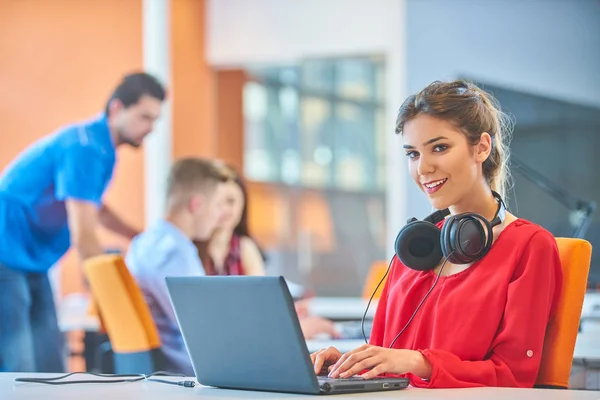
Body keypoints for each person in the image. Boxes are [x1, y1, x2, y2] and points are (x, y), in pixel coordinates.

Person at [311, 80, 563, 388]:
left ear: (482, 147)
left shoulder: (529, 246)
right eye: (412, 154)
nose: (423, 168)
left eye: (439, 148)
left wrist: (420, 363)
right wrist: (349, 366)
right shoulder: (414, 247)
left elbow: (512, 376)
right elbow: (385, 359)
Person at [0, 72, 166, 373]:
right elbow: (83, 231)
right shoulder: (86, 147)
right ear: (117, 108)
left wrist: (137, 235)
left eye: (155, 120)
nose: (151, 128)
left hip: (31, 259)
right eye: (144, 117)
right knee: (17, 362)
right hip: (6, 252)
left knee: (50, 357)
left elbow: (94, 208)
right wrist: (106, 293)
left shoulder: (101, 148)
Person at [194, 164, 341, 340]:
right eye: (218, 202)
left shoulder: (245, 248)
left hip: (243, 335)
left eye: (231, 201)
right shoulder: (191, 250)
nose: (224, 210)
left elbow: (260, 306)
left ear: (243, 204)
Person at [126, 157, 230, 376]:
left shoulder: (144, 242)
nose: (221, 216)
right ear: (197, 205)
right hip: (191, 372)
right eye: (218, 205)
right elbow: (206, 332)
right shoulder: (173, 254)